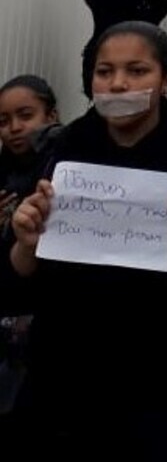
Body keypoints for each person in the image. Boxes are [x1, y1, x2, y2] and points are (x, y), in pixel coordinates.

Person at [9, 21, 167, 461]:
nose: (119, 82)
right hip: (62, 398)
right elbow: (16, 288)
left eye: (137, 70)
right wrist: (24, 247)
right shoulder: (60, 158)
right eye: (105, 71)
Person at [0, 76, 62, 454]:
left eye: (26, 115)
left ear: (51, 115)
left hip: (50, 331)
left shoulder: (66, 171)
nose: (14, 128)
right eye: (4, 120)